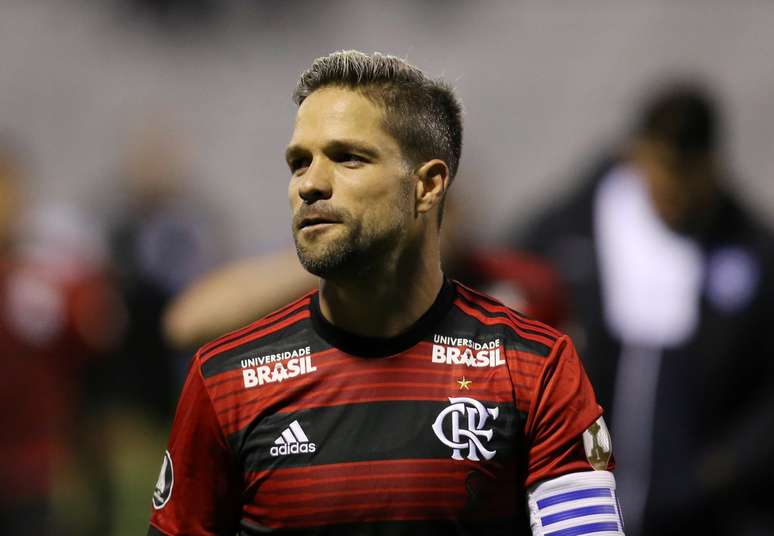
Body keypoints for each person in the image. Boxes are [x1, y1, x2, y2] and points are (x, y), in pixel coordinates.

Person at [148, 51, 624, 536]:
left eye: (347, 157)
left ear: (428, 187)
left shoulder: (535, 367)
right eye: (298, 162)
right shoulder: (227, 381)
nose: (309, 184)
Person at [512, 83, 774, 535]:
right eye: (663, 168)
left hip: (704, 514)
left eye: (687, 172)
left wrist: (722, 470)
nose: (672, 188)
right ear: (638, 155)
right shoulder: (573, 231)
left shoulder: (750, 253)